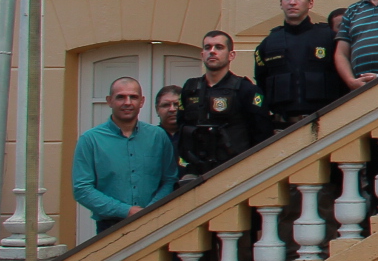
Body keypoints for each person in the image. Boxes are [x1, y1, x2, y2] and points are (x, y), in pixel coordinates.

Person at [72, 78, 177, 234]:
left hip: (155, 224)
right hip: (110, 227)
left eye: (133, 97)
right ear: (109, 101)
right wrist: (126, 211)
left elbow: (169, 179)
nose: (127, 102)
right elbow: (82, 189)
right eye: (120, 97)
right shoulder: (90, 140)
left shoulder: (158, 137)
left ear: (142, 101)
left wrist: (150, 211)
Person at [175, 30, 271, 180]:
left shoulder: (246, 90)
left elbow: (261, 133)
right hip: (197, 171)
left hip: (233, 170)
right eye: (208, 48)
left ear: (231, 55)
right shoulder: (190, 89)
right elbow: (181, 126)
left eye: (219, 47)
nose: (212, 52)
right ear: (202, 55)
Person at [255, 0, 343, 130]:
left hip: (324, 126)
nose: (292, 2)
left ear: (310, 3)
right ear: (281, 3)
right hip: (282, 128)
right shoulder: (268, 44)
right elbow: (261, 85)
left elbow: (344, 80)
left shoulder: (329, 38)